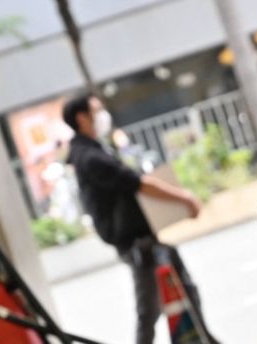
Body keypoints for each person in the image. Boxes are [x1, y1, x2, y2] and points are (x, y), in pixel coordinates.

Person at [62, 95, 213, 344]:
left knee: (180, 296)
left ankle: (205, 339)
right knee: (153, 310)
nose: (103, 115)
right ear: (82, 117)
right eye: (97, 110)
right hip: (138, 245)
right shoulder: (90, 157)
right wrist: (185, 198)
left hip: (142, 242)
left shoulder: (89, 151)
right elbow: (138, 184)